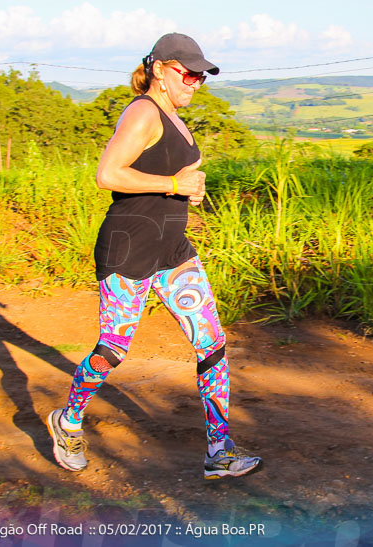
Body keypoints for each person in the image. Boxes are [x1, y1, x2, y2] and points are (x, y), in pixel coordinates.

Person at [46, 33, 261, 479]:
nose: (195, 82)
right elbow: (108, 174)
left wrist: (188, 188)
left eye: (201, 76)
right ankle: (67, 421)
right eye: (188, 73)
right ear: (160, 69)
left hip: (173, 250)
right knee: (114, 350)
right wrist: (172, 186)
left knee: (212, 345)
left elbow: (170, 175)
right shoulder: (144, 112)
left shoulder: (173, 115)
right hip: (130, 249)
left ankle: (219, 450)